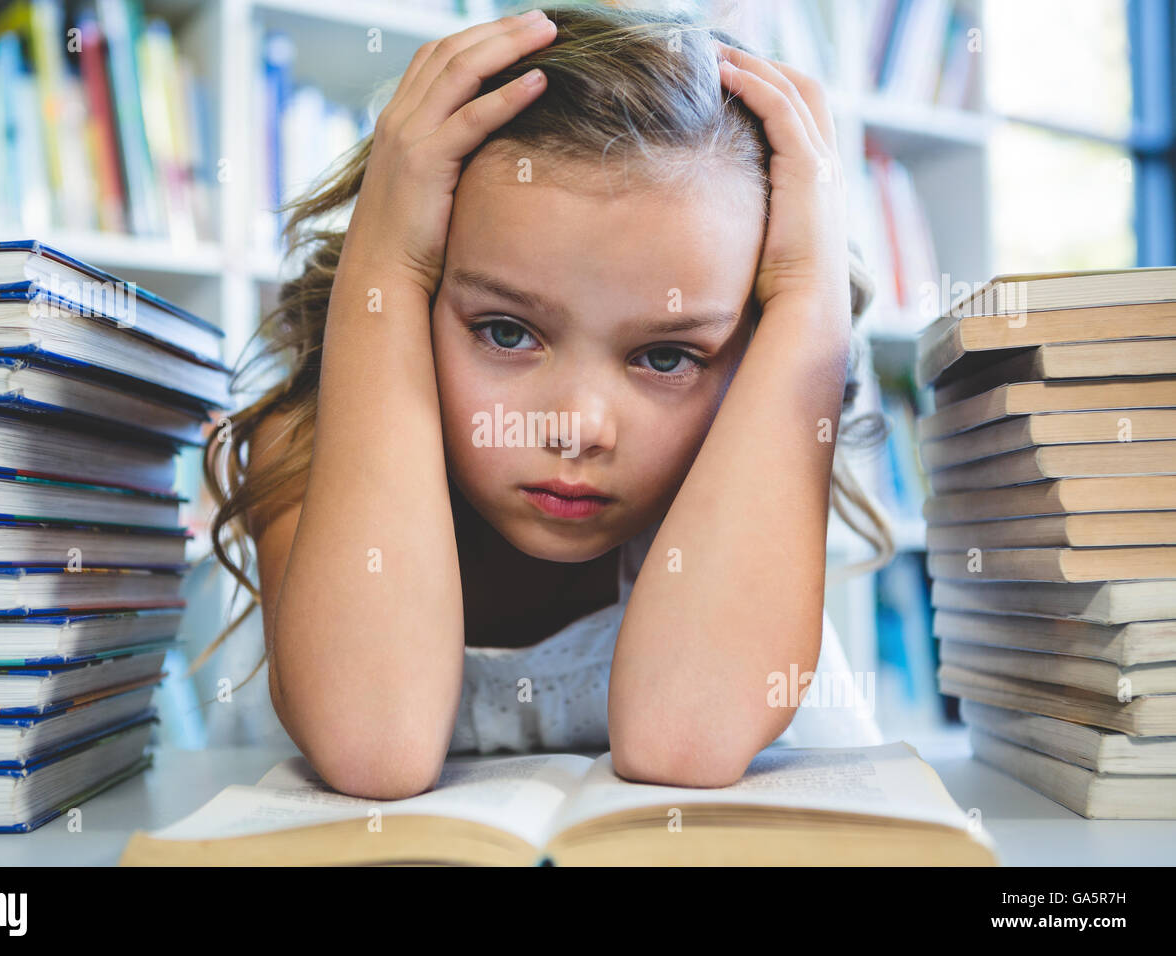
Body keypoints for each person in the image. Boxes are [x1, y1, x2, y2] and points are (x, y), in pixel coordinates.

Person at [201, 4, 893, 800]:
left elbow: (683, 740)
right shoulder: (309, 442)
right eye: (505, 332)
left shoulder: (730, 456)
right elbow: (374, 746)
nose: (579, 427)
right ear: (420, 295)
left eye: (667, 355)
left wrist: (811, 299)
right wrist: (384, 262)